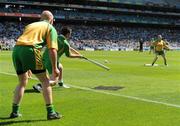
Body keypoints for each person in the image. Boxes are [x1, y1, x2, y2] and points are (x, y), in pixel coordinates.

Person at [10, 10, 61, 120]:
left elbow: (25, 40)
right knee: (45, 81)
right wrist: (55, 68)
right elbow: (52, 50)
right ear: (51, 20)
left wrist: (27, 65)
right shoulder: (50, 28)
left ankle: (14, 112)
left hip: (16, 50)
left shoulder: (30, 25)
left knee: (22, 82)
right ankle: (51, 112)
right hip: (31, 50)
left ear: (40, 18)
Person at [33, 26, 84, 92]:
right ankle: (39, 86)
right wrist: (79, 56)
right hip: (52, 61)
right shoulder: (65, 43)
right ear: (68, 34)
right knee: (54, 81)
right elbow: (69, 55)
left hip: (44, 58)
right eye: (70, 34)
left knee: (60, 67)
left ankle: (61, 83)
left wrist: (79, 54)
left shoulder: (55, 37)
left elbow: (70, 48)